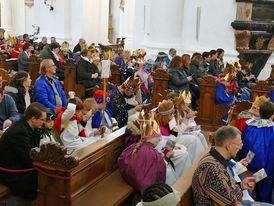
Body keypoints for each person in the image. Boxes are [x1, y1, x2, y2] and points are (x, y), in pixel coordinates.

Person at [192, 126, 272, 206]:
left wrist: (241, 185)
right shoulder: (211, 169)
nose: (240, 148)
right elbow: (230, 203)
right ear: (228, 146)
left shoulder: (217, 158)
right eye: (239, 144)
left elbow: (226, 191)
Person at [118, 110, 177, 194]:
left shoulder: (133, 147)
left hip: (131, 178)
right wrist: (166, 158)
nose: (159, 141)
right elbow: (160, 172)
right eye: (158, 139)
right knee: (169, 172)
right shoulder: (154, 155)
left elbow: (121, 160)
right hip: (145, 186)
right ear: (155, 138)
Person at [0, 102, 47, 200]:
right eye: (43, 120)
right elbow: (28, 159)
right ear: (33, 119)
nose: (44, 122)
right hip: (12, 172)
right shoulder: (19, 132)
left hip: (21, 166)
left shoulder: (31, 127)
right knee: (44, 181)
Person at [241, 101, 274, 203]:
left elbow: (244, 144)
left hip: (249, 163)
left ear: (259, 112)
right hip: (265, 168)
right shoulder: (272, 130)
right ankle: (264, 202)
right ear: (272, 116)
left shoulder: (250, 125)